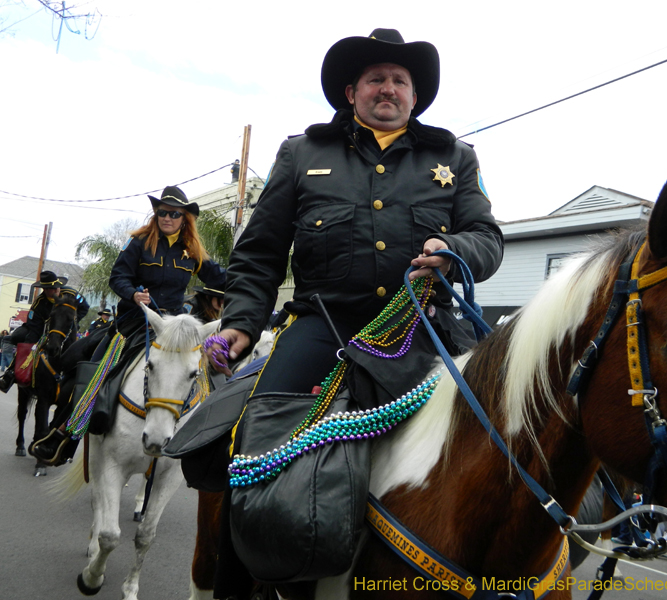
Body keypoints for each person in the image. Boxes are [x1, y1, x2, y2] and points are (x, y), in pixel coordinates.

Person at [202, 28, 504, 599]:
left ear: (414, 97)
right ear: (351, 91)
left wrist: (454, 251)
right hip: (325, 325)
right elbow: (261, 251)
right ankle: (237, 585)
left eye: (399, 80)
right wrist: (242, 323)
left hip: (428, 327)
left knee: (509, 430)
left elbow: (487, 237)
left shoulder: (455, 157)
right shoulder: (303, 153)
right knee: (249, 444)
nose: (387, 88)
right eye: (376, 79)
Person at [31, 186, 226, 465]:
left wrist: (251, 283)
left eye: (174, 213)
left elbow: (220, 278)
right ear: (156, 214)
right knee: (97, 365)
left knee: (212, 374)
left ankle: (213, 437)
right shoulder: (139, 243)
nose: (167, 217)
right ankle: (63, 434)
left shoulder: (192, 251)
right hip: (134, 321)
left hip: (172, 326)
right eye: (162, 212)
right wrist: (133, 294)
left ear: (185, 218)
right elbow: (117, 277)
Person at [0, 271, 90, 392]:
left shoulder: (71, 294)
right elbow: (34, 326)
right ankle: (10, 373)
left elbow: (85, 307)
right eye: (51, 288)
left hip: (65, 328)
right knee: (19, 336)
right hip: (42, 329)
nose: (56, 290)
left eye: (57, 286)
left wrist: (71, 321)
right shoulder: (39, 303)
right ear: (45, 290)